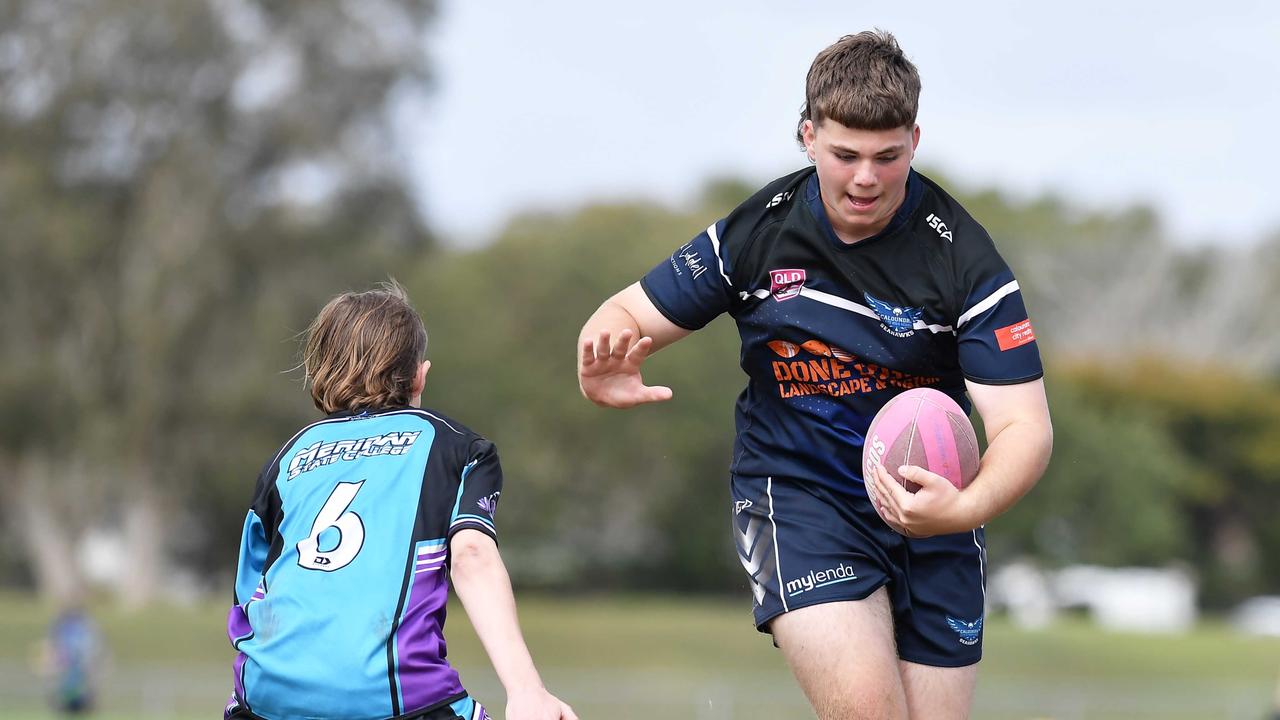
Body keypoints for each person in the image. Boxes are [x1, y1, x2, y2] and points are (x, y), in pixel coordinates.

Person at [576, 30, 1052, 720]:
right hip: (799, 497)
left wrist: (963, 509)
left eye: (888, 157)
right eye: (845, 154)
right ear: (807, 136)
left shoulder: (965, 260)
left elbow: (1023, 428)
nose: (866, 178)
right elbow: (625, 313)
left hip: (938, 508)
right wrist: (602, 362)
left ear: (915, 140)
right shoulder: (757, 233)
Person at [225, 283, 576, 720]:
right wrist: (527, 691)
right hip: (398, 700)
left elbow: (250, 591)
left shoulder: (286, 458)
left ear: (319, 372)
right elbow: (471, 555)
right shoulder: (458, 448)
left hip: (266, 700)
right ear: (419, 376)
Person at [41, 603, 103, 716]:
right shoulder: (62, 627)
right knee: (65, 692)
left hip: (79, 667)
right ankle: (68, 704)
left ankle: (80, 704)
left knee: (81, 692)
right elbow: (54, 643)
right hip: (67, 667)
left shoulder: (85, 628)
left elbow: (92, 647)